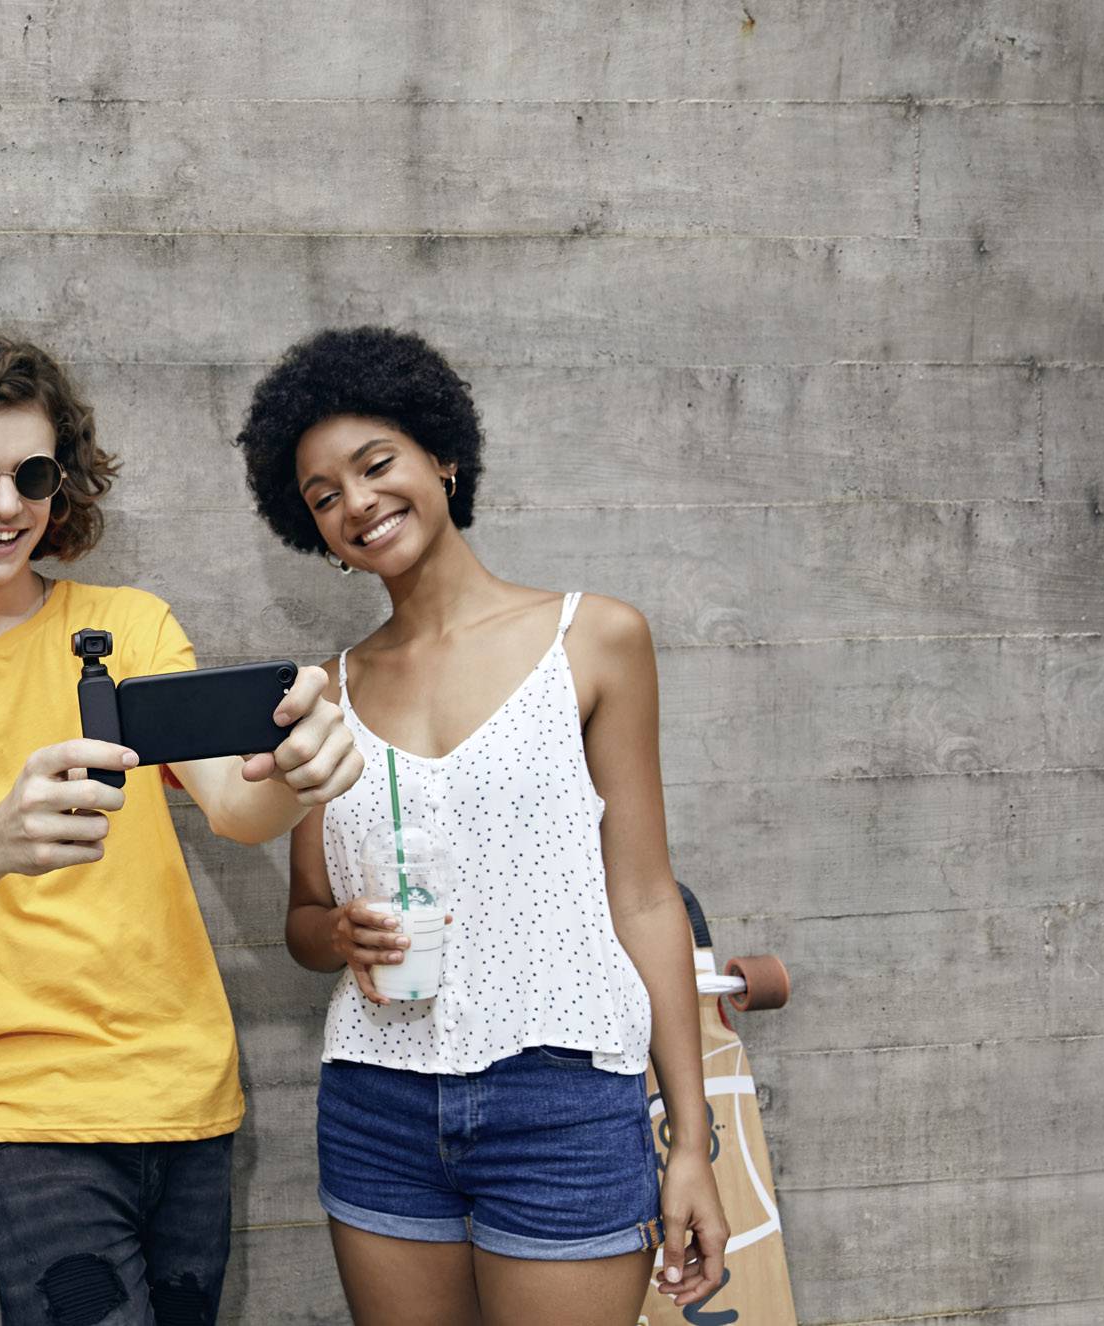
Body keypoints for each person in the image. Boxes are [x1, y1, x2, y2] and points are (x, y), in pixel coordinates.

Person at [0, 328, 364, 1325]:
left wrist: (301, 766)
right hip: (27, 1107)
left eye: (33, 476)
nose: (5, 504)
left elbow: (240, 808)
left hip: (188, 1093)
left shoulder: (132, 625)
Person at [234, 327, 731, 1325]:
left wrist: (687, 1142)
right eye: (325, 495)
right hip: (378, 1106)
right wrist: (339, 936)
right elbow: (303, 916)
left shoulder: (594, 641)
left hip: (564, 1105)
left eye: (377, 465)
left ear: (443, 458)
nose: (358, 502)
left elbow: (643, 897)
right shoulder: (320, 693)